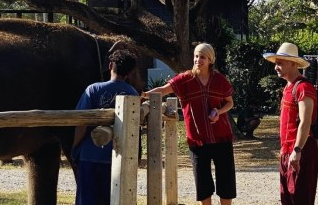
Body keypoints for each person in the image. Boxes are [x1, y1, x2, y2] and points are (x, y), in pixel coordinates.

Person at [142, 43, 236, 205]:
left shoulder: (220, 80)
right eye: (196, 56)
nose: (198, 60)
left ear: (210, 60)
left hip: (222, 138)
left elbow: (230, 103)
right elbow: (163, 90)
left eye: (203, 57)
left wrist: (218, 112)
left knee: (226, 182)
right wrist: (143, 95)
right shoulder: (184, 79)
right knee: (203, 184)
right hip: (198, 140)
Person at [72, 49, 139, 205]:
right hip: (117, 158)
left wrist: (76, 147)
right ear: (129, 72)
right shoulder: (132, 94)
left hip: (89, 155)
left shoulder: (93, 90)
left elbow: (81, 123)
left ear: (110, 66)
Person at [263, 42, 318, 205]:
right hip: (287, 150)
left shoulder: (303, 87)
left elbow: (305, 121)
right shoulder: (288, 87)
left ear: (293, 63)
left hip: (301, 149)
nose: (276, 67)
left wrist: (297, 150)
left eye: (280, 63)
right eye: (276, 63)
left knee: (300, 198)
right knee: (287, 197)